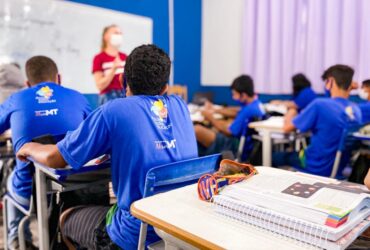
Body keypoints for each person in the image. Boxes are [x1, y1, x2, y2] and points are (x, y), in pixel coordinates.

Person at [16, 45, 198, 249]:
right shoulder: (181, 106)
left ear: (122, 81)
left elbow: (55, 159)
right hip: (176, 229)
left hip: (132, 235)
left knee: (65, 217)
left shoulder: (113, 111)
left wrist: (28, 147)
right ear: (165, 88)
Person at [0, 55, 91, 249]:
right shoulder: (77, 97)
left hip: (30, 190)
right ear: (58, 78)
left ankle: (18, 241)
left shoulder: (15, 99)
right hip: (74, 184)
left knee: (10, 179)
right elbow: (93, 135)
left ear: (27, 83)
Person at [274, 65, 362, 177]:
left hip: (314, 165)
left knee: (274, 156)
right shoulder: (356, 110)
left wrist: (291, 110)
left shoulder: (320, 105)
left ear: (330, 82)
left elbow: (287, 128)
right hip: (339, 168)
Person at [194, 75, 266, 160]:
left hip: (234, 146)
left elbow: (229, 132)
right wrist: (215, 109)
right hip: (242, 142)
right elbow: (237, 111)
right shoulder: (255, 104)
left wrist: (210, 118)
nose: (233, 97)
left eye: (235, 94)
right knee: (215, 127)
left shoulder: (247, 110)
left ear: (243, 95)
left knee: (197, 130)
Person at [93, 24, 127, 105]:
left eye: (120, 33)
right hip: (108, 99)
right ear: (106, 36)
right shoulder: (99, 58)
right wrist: (113, 69)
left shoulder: (125, 56)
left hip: (125, 97)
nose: (119, 35)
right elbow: (100, 86)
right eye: (115, 33)